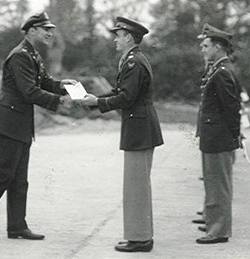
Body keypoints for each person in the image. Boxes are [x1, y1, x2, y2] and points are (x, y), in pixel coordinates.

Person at [0, 12, 75, 242]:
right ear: (32, 31)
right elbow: (29, 91)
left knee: (19, 178)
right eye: (45, 29)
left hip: (18, 124)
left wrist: (63, 86)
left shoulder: (31, 53)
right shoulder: (20, 56)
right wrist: (58, 100)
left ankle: (17, 227)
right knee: (5, 174)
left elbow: (43, 82)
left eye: (50, 29)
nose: (50, 33)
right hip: (8, 124)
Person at [77, 16, 163, 252]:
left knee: (137, 185)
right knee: (136, 184)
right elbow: (121, 91)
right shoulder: (132, 60)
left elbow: (127, 97)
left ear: (128, 37)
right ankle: (139, 235)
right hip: (140, 127)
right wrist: (96, 102)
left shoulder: (134, 62)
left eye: (118, 35)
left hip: (140, 128)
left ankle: (141, 239)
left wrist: (99, 103)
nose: (115, 39)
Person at [195, 23, 242, 244]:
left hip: (220, 137)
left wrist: (234, 137)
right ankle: (214, 222)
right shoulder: (218, 68)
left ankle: (219, 230)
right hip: (213, 136)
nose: (203, 49)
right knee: (212, 182)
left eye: (206, 46)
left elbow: (231, 108)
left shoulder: (222, 72)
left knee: (219, 185)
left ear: (218, 47)